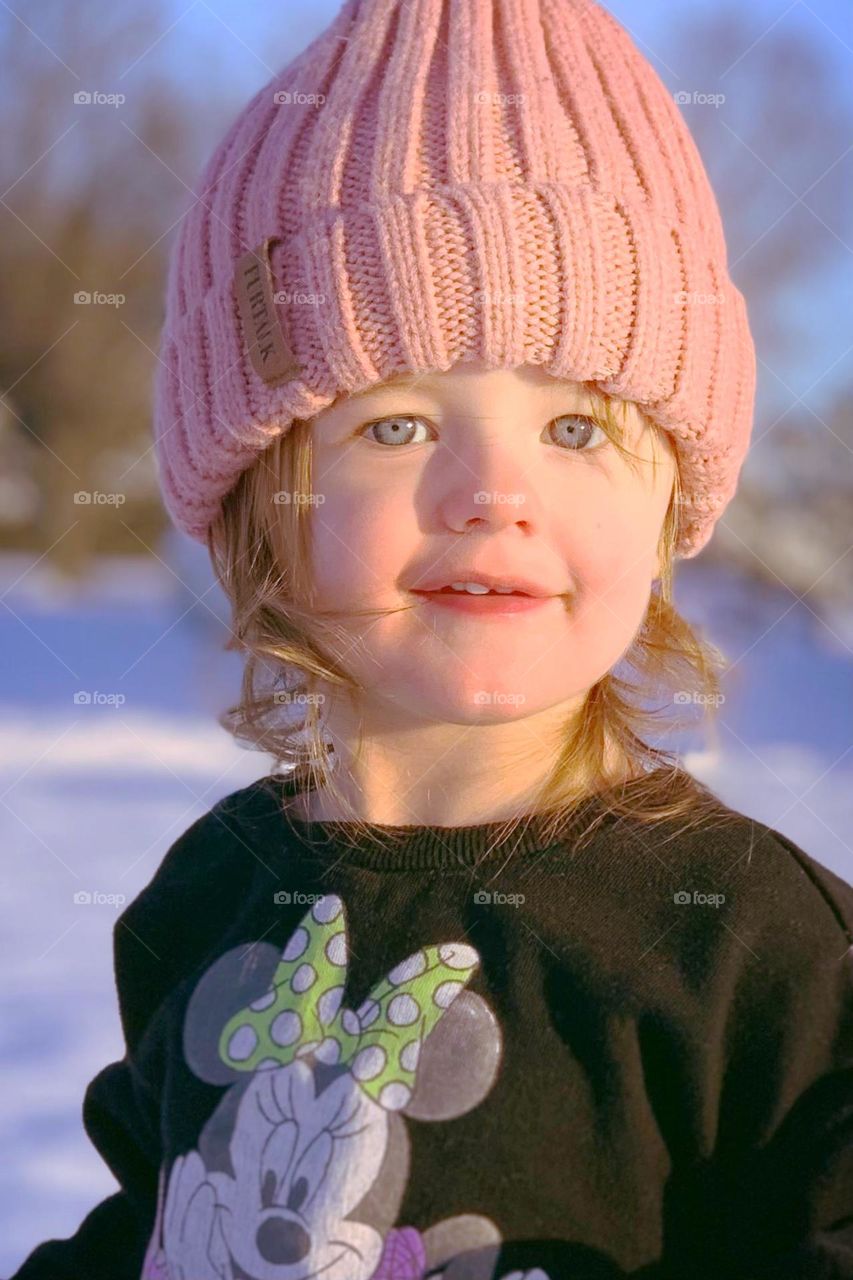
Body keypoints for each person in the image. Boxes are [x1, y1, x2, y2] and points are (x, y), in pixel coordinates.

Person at [11, 0, 853, 1276]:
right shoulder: (212, 894)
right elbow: (156, 1225)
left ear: (673, 503)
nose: (491, 493)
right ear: (258, 513)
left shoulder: (749, 949)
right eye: (395, 425)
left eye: (577, 428)